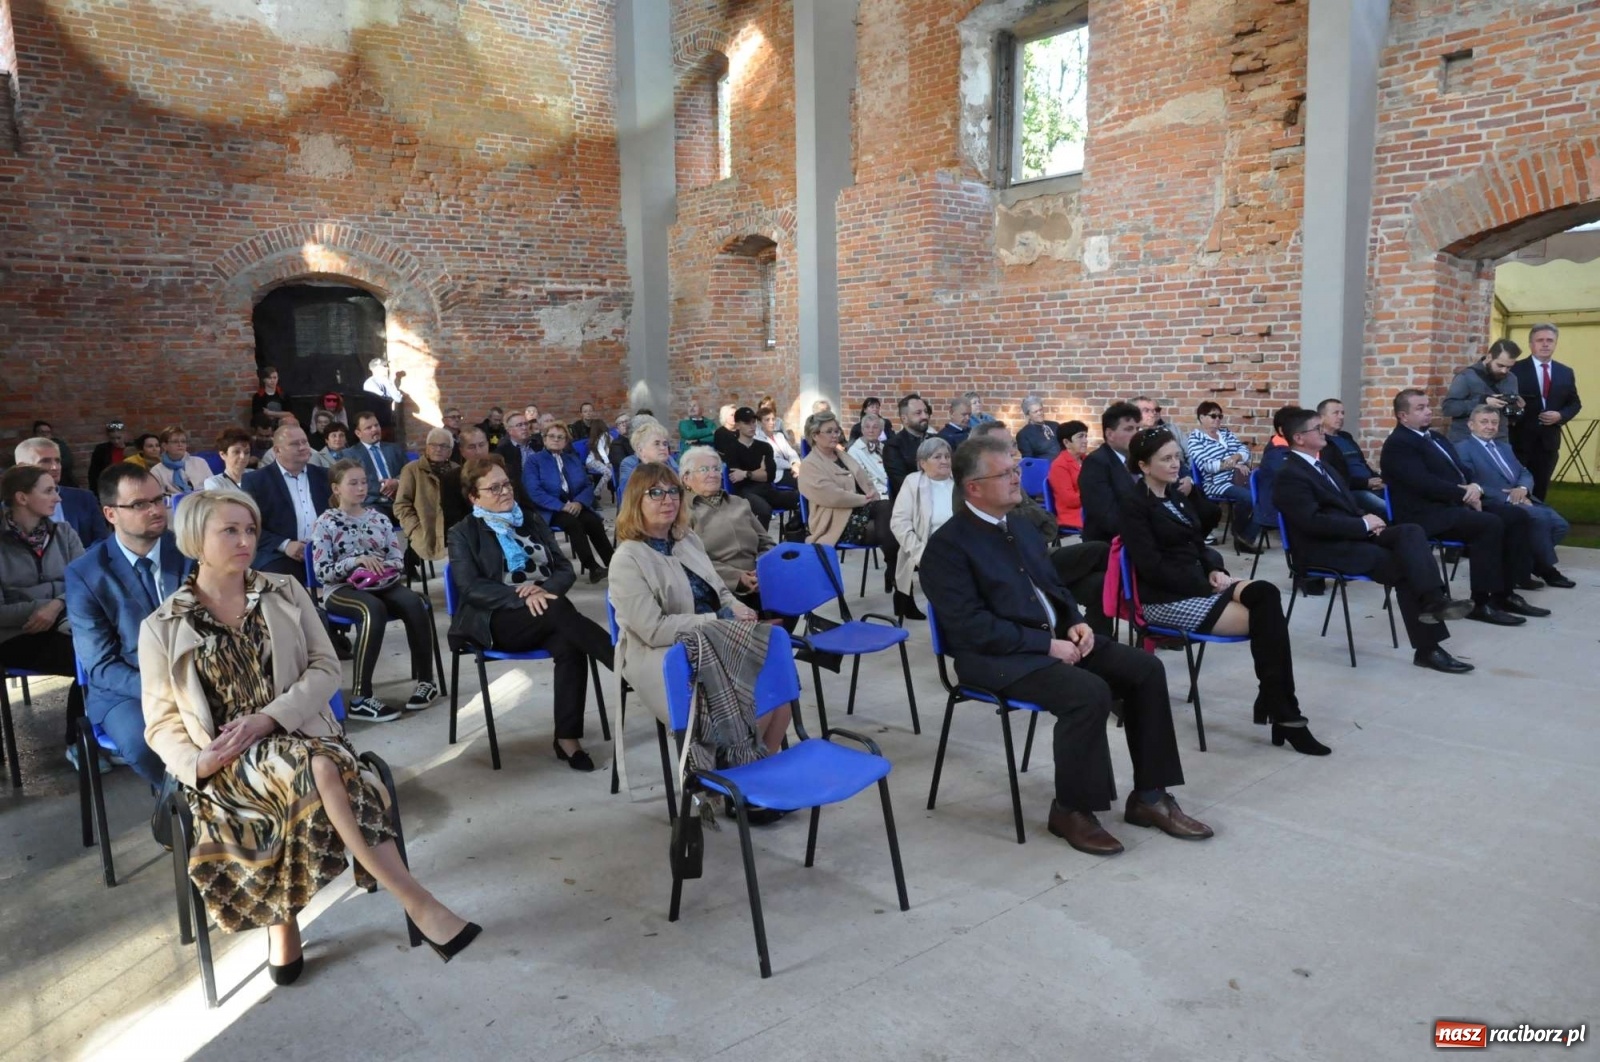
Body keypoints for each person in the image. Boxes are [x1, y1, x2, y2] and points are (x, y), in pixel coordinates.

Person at [141, 489, 479, 978]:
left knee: (320, 763)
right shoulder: (163, 624)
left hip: (301, 730)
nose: (245, 540)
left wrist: (270, 718)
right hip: (230, 762)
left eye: (250, 529)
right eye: (230, 530)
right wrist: (199, 763)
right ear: (196, 539)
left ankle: (289, 923)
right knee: (328, 772)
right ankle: (417, 902)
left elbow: (324, 668)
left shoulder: (285, 590)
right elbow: (161, 722)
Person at [920, 435, 1211, 855]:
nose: (1017, 479)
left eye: (1016, 469)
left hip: (1050, 642)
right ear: (973, 488)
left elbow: (1053, 585)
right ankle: (1072, 810)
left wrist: (1075, 622)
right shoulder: (947, 548)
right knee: (1088, 693)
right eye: (1005, 474)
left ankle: (1150, 797)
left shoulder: (1018, 526)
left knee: (1146, 670)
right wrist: (1046, 644)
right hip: (993, 659)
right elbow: (970, 628)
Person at [1121, 428, 1329, 754]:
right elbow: (1152, 568)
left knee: (1267, 594)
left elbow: (1198, 542)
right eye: (1167, 459)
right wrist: (1205, 583)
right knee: (1266, 622)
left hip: (1198, 583)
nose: (1176, 464)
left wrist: (1216, 569)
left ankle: (1274, 700)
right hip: (1165, 599)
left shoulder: (1176, 495)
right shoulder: (1134, 506)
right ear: (1145, 466)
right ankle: (1284, 711)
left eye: (1178, 457)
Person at [609, 464, 789, 774]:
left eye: (673, 491)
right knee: (755, 697)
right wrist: (717, 621)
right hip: (665, 652)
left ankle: (752, 777)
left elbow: (719, 588)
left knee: (780, 693)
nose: (668, 499)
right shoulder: (628, 559)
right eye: (655, 493)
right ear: (636, 500)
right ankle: (733, 778)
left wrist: (736, 608)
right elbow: (652, 630)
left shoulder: (686, 539)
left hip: (715, 633)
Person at [1273, 406, 1476, 673]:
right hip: (1321, 549)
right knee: (1403, 566)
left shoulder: (1324, 466)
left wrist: (1369, 520)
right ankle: (1429, 647)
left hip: (1350, 536)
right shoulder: (1290, 475)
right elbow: (1311, 522)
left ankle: (1433, 600)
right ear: (1299, 438)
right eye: (1318, 429)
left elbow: (1346, 505)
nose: (1325, 432)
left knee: (1410, 531)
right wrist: (1361, 525)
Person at [447, 456, 613, 770]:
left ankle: (567, 738)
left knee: (568, 640)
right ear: (474, 497)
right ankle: (622, 663)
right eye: (493, 488)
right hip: (496, 620)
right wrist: (520, 596)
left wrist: (543, 589)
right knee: (560, 611)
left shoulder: (531, 519)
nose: (504, 492)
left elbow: (564, 568)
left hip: (547, 611)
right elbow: (470, 588)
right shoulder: (463, 532)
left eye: (506, 484)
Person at [1380, 389, 1548, 625]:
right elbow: (1423, 484)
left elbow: (1463, 471)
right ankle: (1481, 602)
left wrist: (1475, 489)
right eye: (1420, 408)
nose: (1428, 411)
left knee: (1514, 515)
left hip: (1453, 503)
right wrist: (1464, 495)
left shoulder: (1436, 437)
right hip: (1425, 513)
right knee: (1487, 524)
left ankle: (1505, 593)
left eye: (1428, 405)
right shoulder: (1399, 445)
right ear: (1402, 416)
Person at [65, 463, 188, 785]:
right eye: (139, 504)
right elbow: (101, 665)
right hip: (128, 690)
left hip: (196, 673)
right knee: (146, 743)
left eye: (159, 500)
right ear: (110, 514)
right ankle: (187, 811)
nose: (155, 510)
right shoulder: (87, 573)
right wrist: (165, 691)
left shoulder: (190, 552)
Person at [310, 461, 438, 722]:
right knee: (372, 609)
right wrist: (356, 562)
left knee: (414, 602)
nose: (360, 488)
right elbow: (323, 571)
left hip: (381, 583)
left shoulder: (379, 518)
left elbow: (397, 559)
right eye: (353, 483)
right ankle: (361, 698)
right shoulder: (325, 522)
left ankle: (427, 682)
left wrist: (380, 565)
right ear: (336, 488)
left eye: (363, 482)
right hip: (342, 588)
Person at [1, 465, 89, 770]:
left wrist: (54, 606)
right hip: (15, 635)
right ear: (22, 498)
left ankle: (91, 736)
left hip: (62, 622)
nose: (58, 498)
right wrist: (37, 609)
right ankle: (79, 744)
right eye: (49, 490)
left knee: (99, 652)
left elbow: (84, 582)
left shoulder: (63, 533)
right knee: (86, 657)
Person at [1454, 405, 1574, 588]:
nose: (1490, 426)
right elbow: (1472, 483)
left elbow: (1524, 472)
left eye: (1494, 422)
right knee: (1539, 518)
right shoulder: (1463, 449)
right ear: (1471, 425)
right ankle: (1546, 570)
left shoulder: (1504, 447)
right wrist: (1512, 498)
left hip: (1522, 497)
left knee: (1560, 525)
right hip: (1491, 503)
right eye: (1484, 422)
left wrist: (1523, 488)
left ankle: (1527, 564)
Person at [797, 411, 899, 594]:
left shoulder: (842, 455)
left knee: (892, 514)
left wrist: (872, 493)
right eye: (829, 431)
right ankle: (897, 575)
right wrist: (864, 499)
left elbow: (865, 479)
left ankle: (894, 572)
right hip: (836, 521)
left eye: (837, 431)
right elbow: (831, 496)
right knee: (893, 528)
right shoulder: (810, 465)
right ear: (814, 435)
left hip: (863, 510)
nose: (835, 435)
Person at [681, 446, 774, 613]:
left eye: (716, 468)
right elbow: (690, 561)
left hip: (759, 579)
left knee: (796, 590)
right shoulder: (684, 512)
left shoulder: (739, 503)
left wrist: (763, 569)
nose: (712, 474)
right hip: (719, 586)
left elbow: (766, 542)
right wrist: (738, 578)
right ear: (687, 478)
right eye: (704, 469)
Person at [524, 422, 613, 581]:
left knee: (593, 521)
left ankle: (613, 564)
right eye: (551, 436)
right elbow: (534, 491)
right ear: (544, 440)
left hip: (575, 504)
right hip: (551, 509)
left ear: (565, 442)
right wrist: (561, 506)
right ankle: (592, 567)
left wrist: (579, 502)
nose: (556, 440)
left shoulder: (572, 459)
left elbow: (587, 485)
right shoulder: (534, 461)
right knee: (573, 523)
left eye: (560, 437)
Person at [242, 424, 330, 581]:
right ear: (277, 450)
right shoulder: (256, 481)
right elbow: (248, 526)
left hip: (325, 550)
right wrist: (285, 545)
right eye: (295, 444)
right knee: (287, 585)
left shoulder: (324, 476)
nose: (303, 447)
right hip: (278, 554)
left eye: (305, 442)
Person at [1510, 323, 1583, 500]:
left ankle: (1538, 524)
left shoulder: (1565, 372)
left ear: (1555, 343)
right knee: (1513, 489)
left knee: (1540, 490)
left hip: (1548, 443)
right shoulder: (1514, 369)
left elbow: (1575, 403)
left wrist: (1561, 416)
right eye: (1540, 340)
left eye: (1549, 340)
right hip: (1517, 441)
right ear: (1531, 344)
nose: (1545, 344)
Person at [888, 436, 954, 621]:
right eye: (937, 457)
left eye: (947, 456)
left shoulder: (959, 482)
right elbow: (899, 522)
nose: (944, 461)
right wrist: (921, 553)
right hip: (927, 546)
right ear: (923, 463)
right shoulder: (913, 482)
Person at [1184, 401, 1263, 554]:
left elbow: (1245, 451)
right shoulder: (1195, 439)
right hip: (1216, 482)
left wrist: (1236, 456)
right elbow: (1206, 465)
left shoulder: (1226, 433)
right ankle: (1240, 534)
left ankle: (1245, 537)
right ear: (1201, 417)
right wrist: (1233, 464)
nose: (1217, 419)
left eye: (1220, 416)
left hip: (1239, 477)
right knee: (1249, 498)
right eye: (1213, 416)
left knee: (1265, 495)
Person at [14, 436, 108, 546]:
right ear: (22, 467)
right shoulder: (7, 512)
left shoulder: (84, 498)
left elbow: (102, 541)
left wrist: (78, 561)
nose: (55, 467)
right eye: (45, 461)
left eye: (57, 461)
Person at [1079, 402, 1144, 544]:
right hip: (1111, 543)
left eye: (1138, 428)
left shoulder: (1139, 459)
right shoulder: (1096, 464)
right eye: (1129, 429)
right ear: (1110, 434)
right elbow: (1108, 518)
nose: (1136, 434)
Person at [395, 429, 456, 573]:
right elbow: (401, 505)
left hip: (453, 528)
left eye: (444, 446)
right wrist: (414, 529)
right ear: (427, 448)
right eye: (433, 445)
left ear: (450, 451)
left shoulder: (456, 470)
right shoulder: (412, 469)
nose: (438, 449)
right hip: (425, 528)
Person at [1314, 398, 1387, 517]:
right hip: (1351, 491)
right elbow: (1334, 477)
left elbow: (1362, 463)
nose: (1341, 417)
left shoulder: (1346, 437)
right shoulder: (1322, 443)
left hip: (1371, 485)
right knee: (1386, 508)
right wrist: (1365, 483)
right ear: (1321, 417)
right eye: (1335, 413)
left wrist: (1378, 479)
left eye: (1342, 413)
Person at [1442, 340, 1523, 443]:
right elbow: (1448, 408)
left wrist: (1517, 408)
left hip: (1499, 441)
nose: (1504, 371)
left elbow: (1511, 419)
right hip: (1467, 441)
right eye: (1500, 365)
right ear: (1489, 357)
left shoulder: (1511, 379)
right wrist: (1483, 401)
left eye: (1509, 367)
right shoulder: (1466, 376)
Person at [715, 406, 780, 527]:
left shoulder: (765, 447)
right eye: (747, 423)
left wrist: (746, 474)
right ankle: (761, 544)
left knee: (798, 499)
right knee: (765, 510)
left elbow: (770, 476)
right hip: (744, 492)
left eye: (753, 422)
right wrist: (760, 472)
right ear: (738, 425)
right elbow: (736, 479)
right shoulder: (731, 448)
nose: (752, 426)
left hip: (765, 489)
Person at [349, 412, 406, 520]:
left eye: (376, 425)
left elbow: (409, 472)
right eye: (368, 428)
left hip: (400, 499)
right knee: (375, 518)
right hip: (373, 503)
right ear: (358, 433)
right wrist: (382, 489)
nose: (374, 429)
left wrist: (397, 482)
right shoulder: (351, 455)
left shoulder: (395, 449)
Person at [441, 427, 496, 531]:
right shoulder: (451, 479)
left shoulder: (503, 471)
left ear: (488, 445)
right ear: (462, 451)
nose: (478, 451)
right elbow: (453, 517)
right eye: (472, 447)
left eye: (481, 445)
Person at [883, 393, 932, 500]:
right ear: (904, 419)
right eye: (918, 413)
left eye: (926, 412)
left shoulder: (936, 440)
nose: (925, 416)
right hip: (912, 503)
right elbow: (903, 484)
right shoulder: (893, 446)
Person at [617, 419, 679, 502]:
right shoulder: (629, 463)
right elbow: (628, 494)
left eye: (665, 444)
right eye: (656, 443)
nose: (663, 448)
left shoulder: (669, 461)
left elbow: (680, 487)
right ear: (640, 449)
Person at [1044, 420, 1089, 529]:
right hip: (1074, 514)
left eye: (1086, 436)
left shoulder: (1088, 460)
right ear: (1066, 442)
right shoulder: (1059, 465)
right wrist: (1094, 493)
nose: (1085, 440)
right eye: (1080, 437)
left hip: (1091, 508)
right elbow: (1070, 500)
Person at [150, 426, 213, 497]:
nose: (180, 444)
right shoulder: (156, 471)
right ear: (164, 446)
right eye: (175, 441)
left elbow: (213, 487)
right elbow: (159, 497)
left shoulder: (200, 462)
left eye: (183, 441)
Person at [363, 358, 407, 443]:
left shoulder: (379, 382)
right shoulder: (371, 383)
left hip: (384, 423)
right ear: (376, 368)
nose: (387, 368)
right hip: (377, 424)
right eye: (384, 366)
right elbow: (397, 398)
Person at [846, 412, 890, 496]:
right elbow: (864, 479)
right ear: (862, 430)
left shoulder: (884, 447)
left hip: (892, 491)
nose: (871, 430)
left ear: (881, 431)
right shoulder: (854, 451)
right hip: (876, 495)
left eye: (875, 427)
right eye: (867, 427)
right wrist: (887, 492)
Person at [758, 410, 802, 487]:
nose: (772, 422)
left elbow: (791, 453)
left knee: (811, 477)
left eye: (773, 419)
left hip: (791, 469)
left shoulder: (779, 436)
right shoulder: (758, 439)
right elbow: (773, 460)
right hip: (777, 474)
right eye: (767, 420)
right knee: (804, 482)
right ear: (760, 422)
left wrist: (795, 464)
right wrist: (791, 467)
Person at [31, 419, 78, 487]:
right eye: (41, 432)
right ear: (35, 434)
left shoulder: (59, 446)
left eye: (48, 432)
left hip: (63, 481)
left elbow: (68, 462)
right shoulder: (30, 448)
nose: (45, 434)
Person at [87, 421, 128, 489]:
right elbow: (94, 473)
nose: (116, 441)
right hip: (109, 487)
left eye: (119, 438)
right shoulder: (101, 450)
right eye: (112, 438)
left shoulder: (132, 449)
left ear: (125, 434)